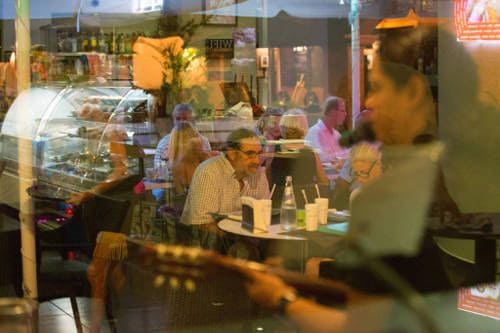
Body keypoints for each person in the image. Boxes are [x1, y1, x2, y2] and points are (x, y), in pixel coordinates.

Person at [180, 128, 270, 247]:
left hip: (247, 238)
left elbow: (265, 215)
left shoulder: (258, 173)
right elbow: (203, 225)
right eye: (250, 154)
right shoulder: (210, 171)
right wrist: (240, 239)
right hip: (206, 243)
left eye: (259, 153)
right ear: (232, 154)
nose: (257, 161)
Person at [266, 109, 329, 208]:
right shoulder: (311, 152)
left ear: (283, 126)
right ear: (304, 128)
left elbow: (268, 176)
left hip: (279, 202)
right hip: (305, 202)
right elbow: (323, 181)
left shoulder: (274, 149)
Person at [154, 103, 211, 168]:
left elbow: (207, 168)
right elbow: (158, 170)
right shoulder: (164, 142)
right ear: (173, 121)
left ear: (192, 120)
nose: (181, 122)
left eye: (185, 119)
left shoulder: (203, 141)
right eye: (178, 119)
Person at [168, 121, 209, 196]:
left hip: (183, 203)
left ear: (174, 141)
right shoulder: (204, 160)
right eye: (196, 135)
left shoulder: (174, 165)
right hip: (203, 200)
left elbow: (180, 194)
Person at [304, 96, 349, 164]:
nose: (345, 114)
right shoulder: (314, 132)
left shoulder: (336, 134)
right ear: (332, 112)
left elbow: (347, 154)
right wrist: (339, 157)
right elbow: (321, 158)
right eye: (342, 111)